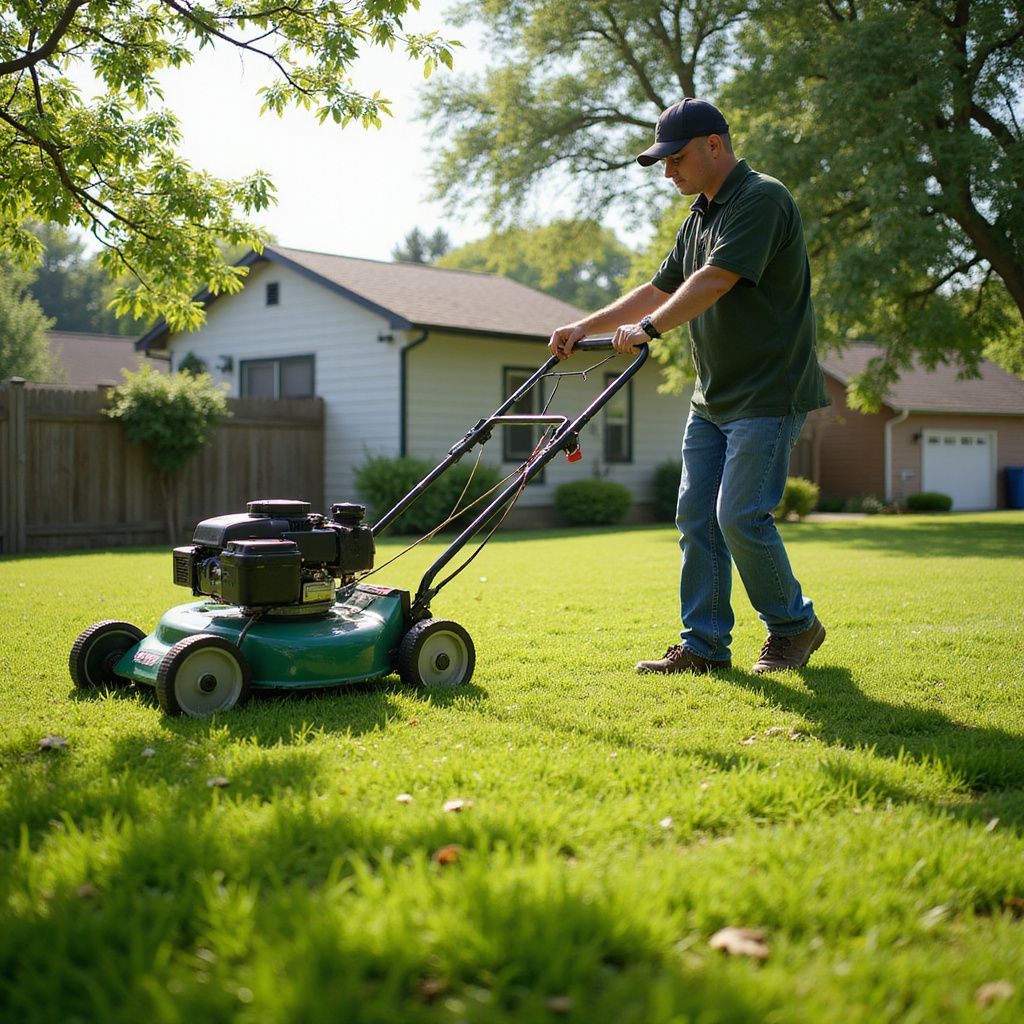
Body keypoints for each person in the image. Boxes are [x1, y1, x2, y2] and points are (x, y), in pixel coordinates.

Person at [548, 97, 830, 676]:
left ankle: (794, 627)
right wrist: (585, 326)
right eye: (662, 162)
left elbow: (716, 279)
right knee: (696, 517)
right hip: (714, 396)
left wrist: (649, 331)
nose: (668, 171)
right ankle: (703, 647)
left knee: (739, 515)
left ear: (714, 145)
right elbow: (658, 289)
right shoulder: (699, 216)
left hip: (769, 390)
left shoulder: (762, 198)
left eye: (675, 159)